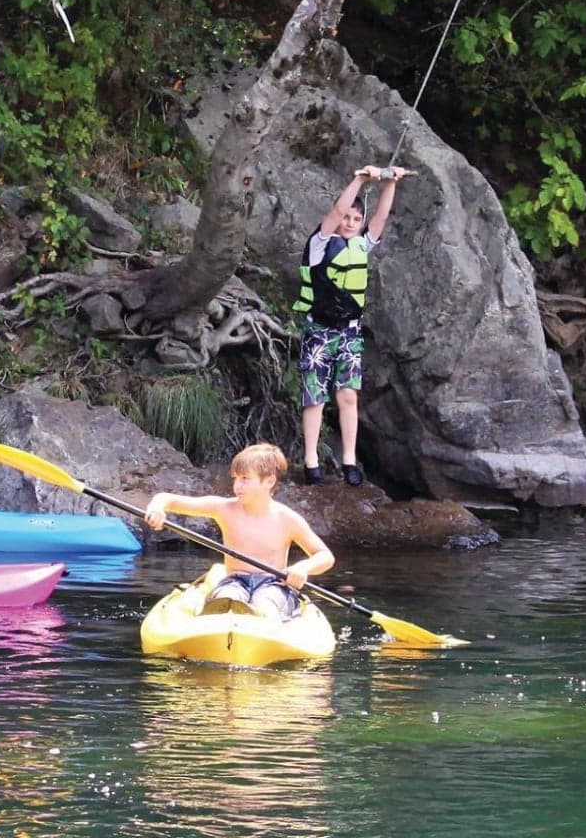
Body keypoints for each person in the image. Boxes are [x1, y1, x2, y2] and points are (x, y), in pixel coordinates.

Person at [293, 163, 413, 485]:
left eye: (356, 219)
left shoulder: (362, 244)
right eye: (347, 217)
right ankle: (311, 461)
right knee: (315, 395)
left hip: (349, 332)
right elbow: (336, 210)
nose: (349, 222)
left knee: (347, 396)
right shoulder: (320, 242)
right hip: (319, 331)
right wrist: (360, 178)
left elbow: (381, 219)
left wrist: (390, 182)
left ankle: (349, 460)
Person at [143, 443, 335, 620]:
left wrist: (303, 568)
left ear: (268, 481)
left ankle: (261, 620)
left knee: (266, 603)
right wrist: (157, 508)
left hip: (274, 584)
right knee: (228, 599)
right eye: (235, 478)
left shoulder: (288, 519)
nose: (237, 486)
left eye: (245, 479)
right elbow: (167, 499)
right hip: (235, 581)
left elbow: (325, 556)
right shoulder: (224, 508)